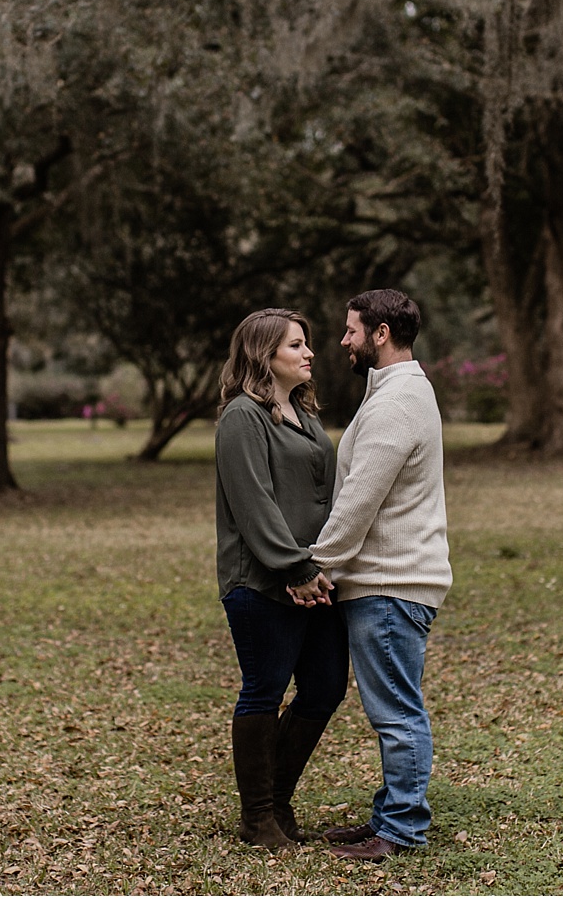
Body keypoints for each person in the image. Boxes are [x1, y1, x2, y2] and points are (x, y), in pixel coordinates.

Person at [290, 288, 450, 863]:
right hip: (389, 579)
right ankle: (389, 815)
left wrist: (316, 565)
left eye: (351, 330)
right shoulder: (396, 392)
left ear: (380, 333)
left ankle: (402, 829)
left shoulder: (397, 400)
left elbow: (359, 499)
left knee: (396, 711)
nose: (343, 341)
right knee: (393, 706)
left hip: (392, 582)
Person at [213, 308, 347, 849]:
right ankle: (258, 818)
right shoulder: (242, 417)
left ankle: (278, 802)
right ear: (263, 355)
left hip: (315, 578)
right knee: (264, 690)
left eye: (307, 344)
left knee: (324, 687)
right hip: (262, 583)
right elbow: (254, 503)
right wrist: (293, 567)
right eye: (296, 345)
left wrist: (319, 567)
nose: (309, 352)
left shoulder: (305, 416)